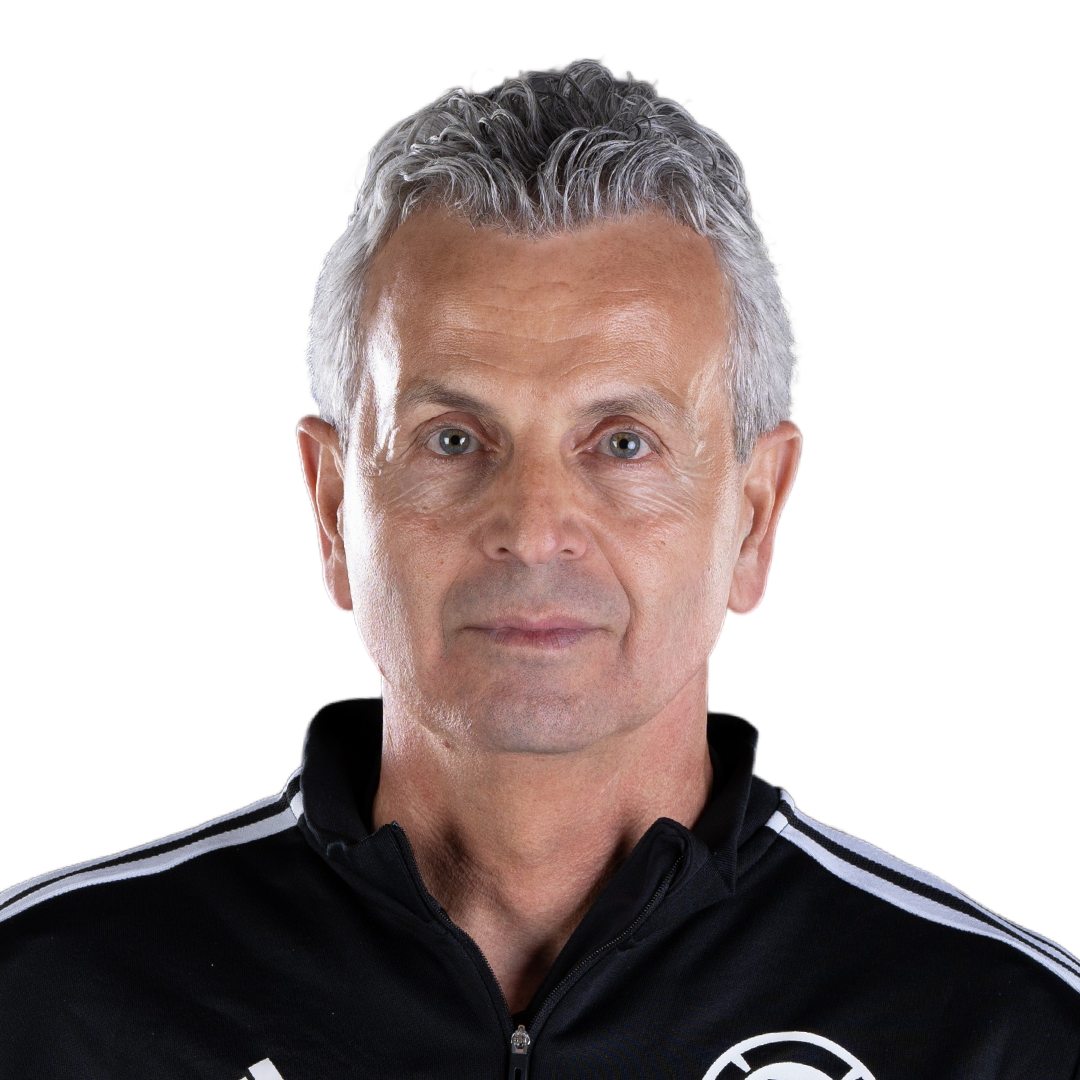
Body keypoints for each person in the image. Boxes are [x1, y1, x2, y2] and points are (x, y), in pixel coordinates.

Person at [1, 58, 1078, 1080]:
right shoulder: (47, 1005)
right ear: (331, 506)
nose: (533, 527)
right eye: (452, 439)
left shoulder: (1000, 1035)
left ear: (755, 517)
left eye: (623, 443)